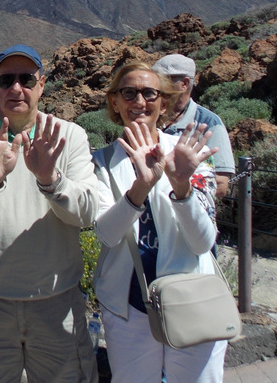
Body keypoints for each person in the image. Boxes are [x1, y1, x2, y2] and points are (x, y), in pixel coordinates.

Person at [0, 44, 99, 383]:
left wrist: (50, 179)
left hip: (56, 304)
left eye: (26, 79)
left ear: (42, 84)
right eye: (7, 79)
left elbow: (86, 212)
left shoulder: (68, 137)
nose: (16, 88)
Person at [92, 61, 225, 383]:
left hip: (193, 298)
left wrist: (182, 187)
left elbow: (202, 242)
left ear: (163, 102)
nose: (140, 102)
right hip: (128, 304)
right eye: (129, 93)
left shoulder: (187, 155)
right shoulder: (101, 163)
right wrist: (140, 188)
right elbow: (106, 235)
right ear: (115, 102)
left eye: (150, 93)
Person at [152, 54, 235, 198]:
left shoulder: (210, 124)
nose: (156, 86)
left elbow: (220, 184)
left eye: (163, 80)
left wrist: (176, 191)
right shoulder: (149, 116)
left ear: (184, 84)